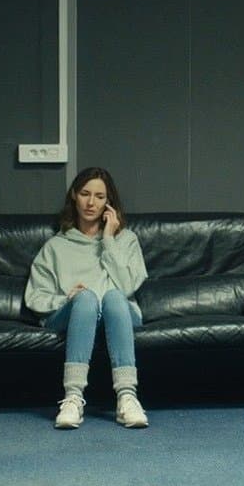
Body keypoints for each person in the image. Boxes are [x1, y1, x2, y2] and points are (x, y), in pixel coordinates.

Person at [25, 167, 149, 429]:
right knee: (86, 299)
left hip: (118, 313)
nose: (91, 203)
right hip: (76, 314)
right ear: (74, 195)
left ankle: (127, 397)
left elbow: (127, 286)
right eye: (85, 194)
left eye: (99, 196)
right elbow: (35, 297)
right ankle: (73, 398)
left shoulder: (126, 240)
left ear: (109, 203)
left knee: (114, 297)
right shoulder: (56, 245)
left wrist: (108, 240)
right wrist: (66, 299)